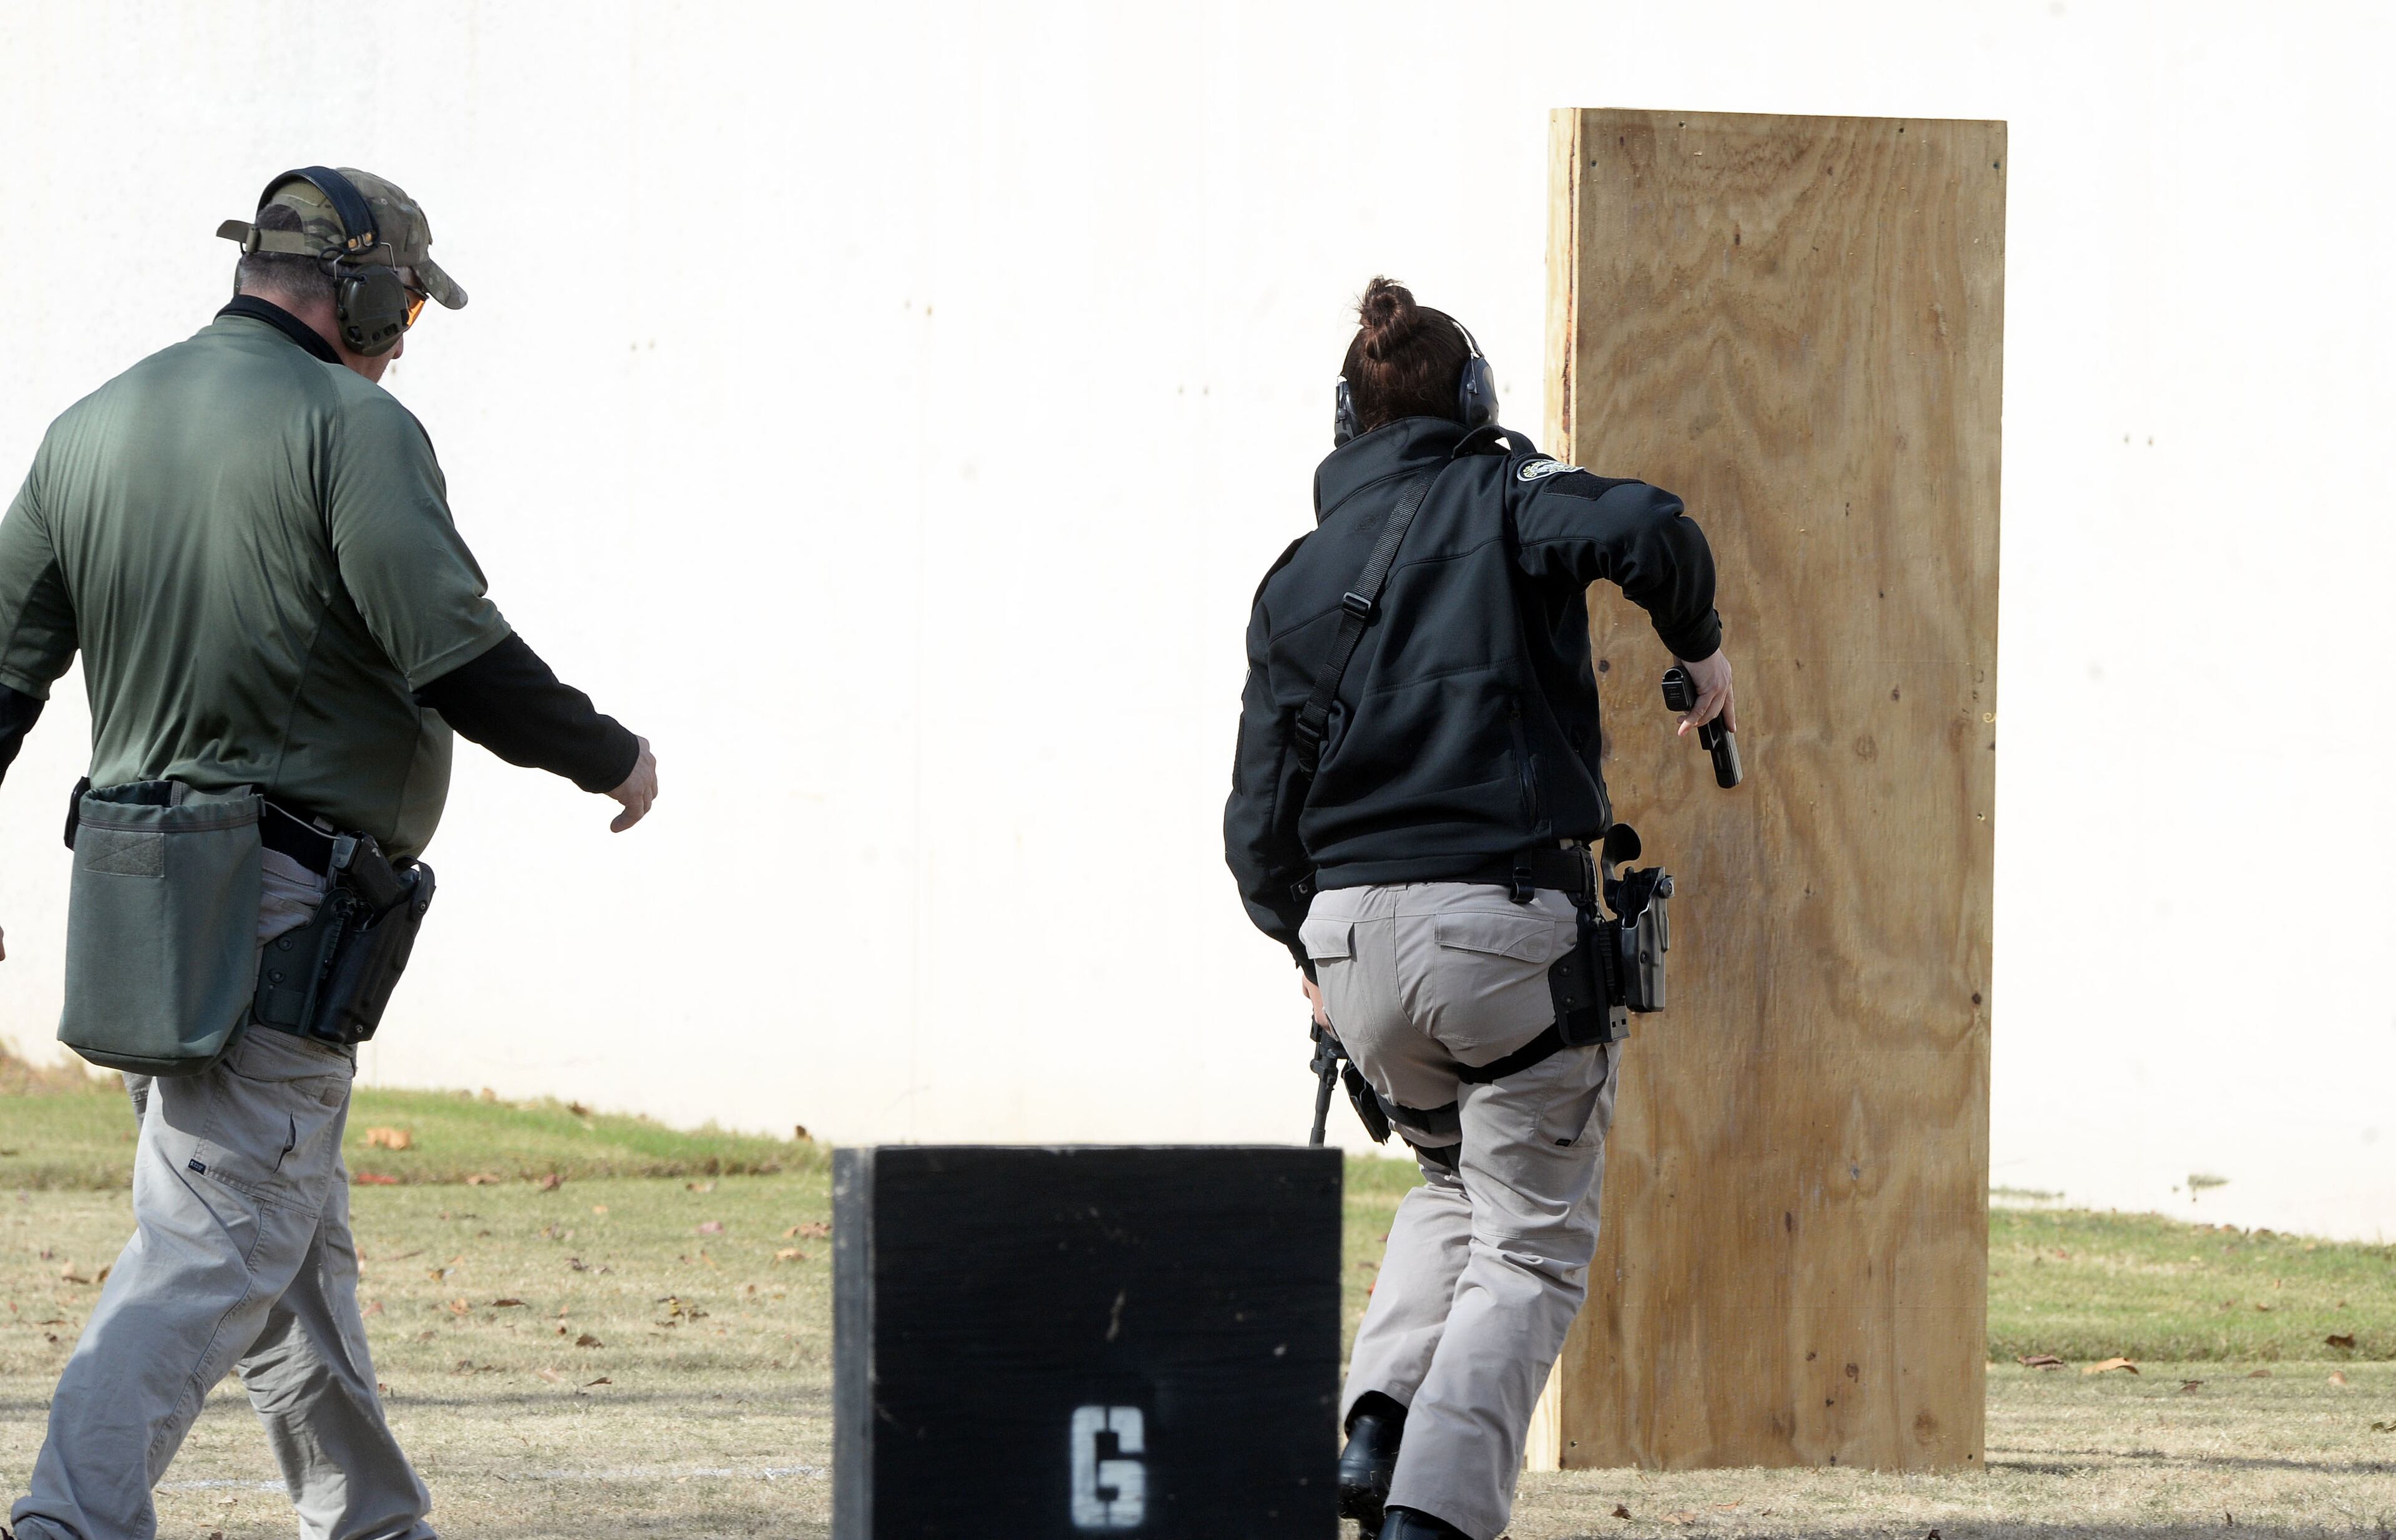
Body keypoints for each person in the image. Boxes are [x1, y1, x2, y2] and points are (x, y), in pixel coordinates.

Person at [0, 166, 658, 1540]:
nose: (406, 328)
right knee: (220, 1241)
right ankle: (70, 1523)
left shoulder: (86, 428)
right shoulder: (352, 426)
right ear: (359, 286)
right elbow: (454, 646)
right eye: (407, 297)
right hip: (274, 898)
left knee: (280, 1236)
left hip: (136, 896)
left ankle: (369, 1519)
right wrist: (607, 752)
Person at [1224, 278, 1733, 1540]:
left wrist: (1307, 946)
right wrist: (1704, 654)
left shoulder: (1296, 579)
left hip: (1351, 948)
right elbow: (1654, 529)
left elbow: (1253, 828)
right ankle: (1433, 1516)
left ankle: (1375, 1425)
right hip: (1503, 936)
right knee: (1532, 1244)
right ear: (1476, 400)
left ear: (1349, 421)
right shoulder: (1510, 494)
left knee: (1456, 1180)